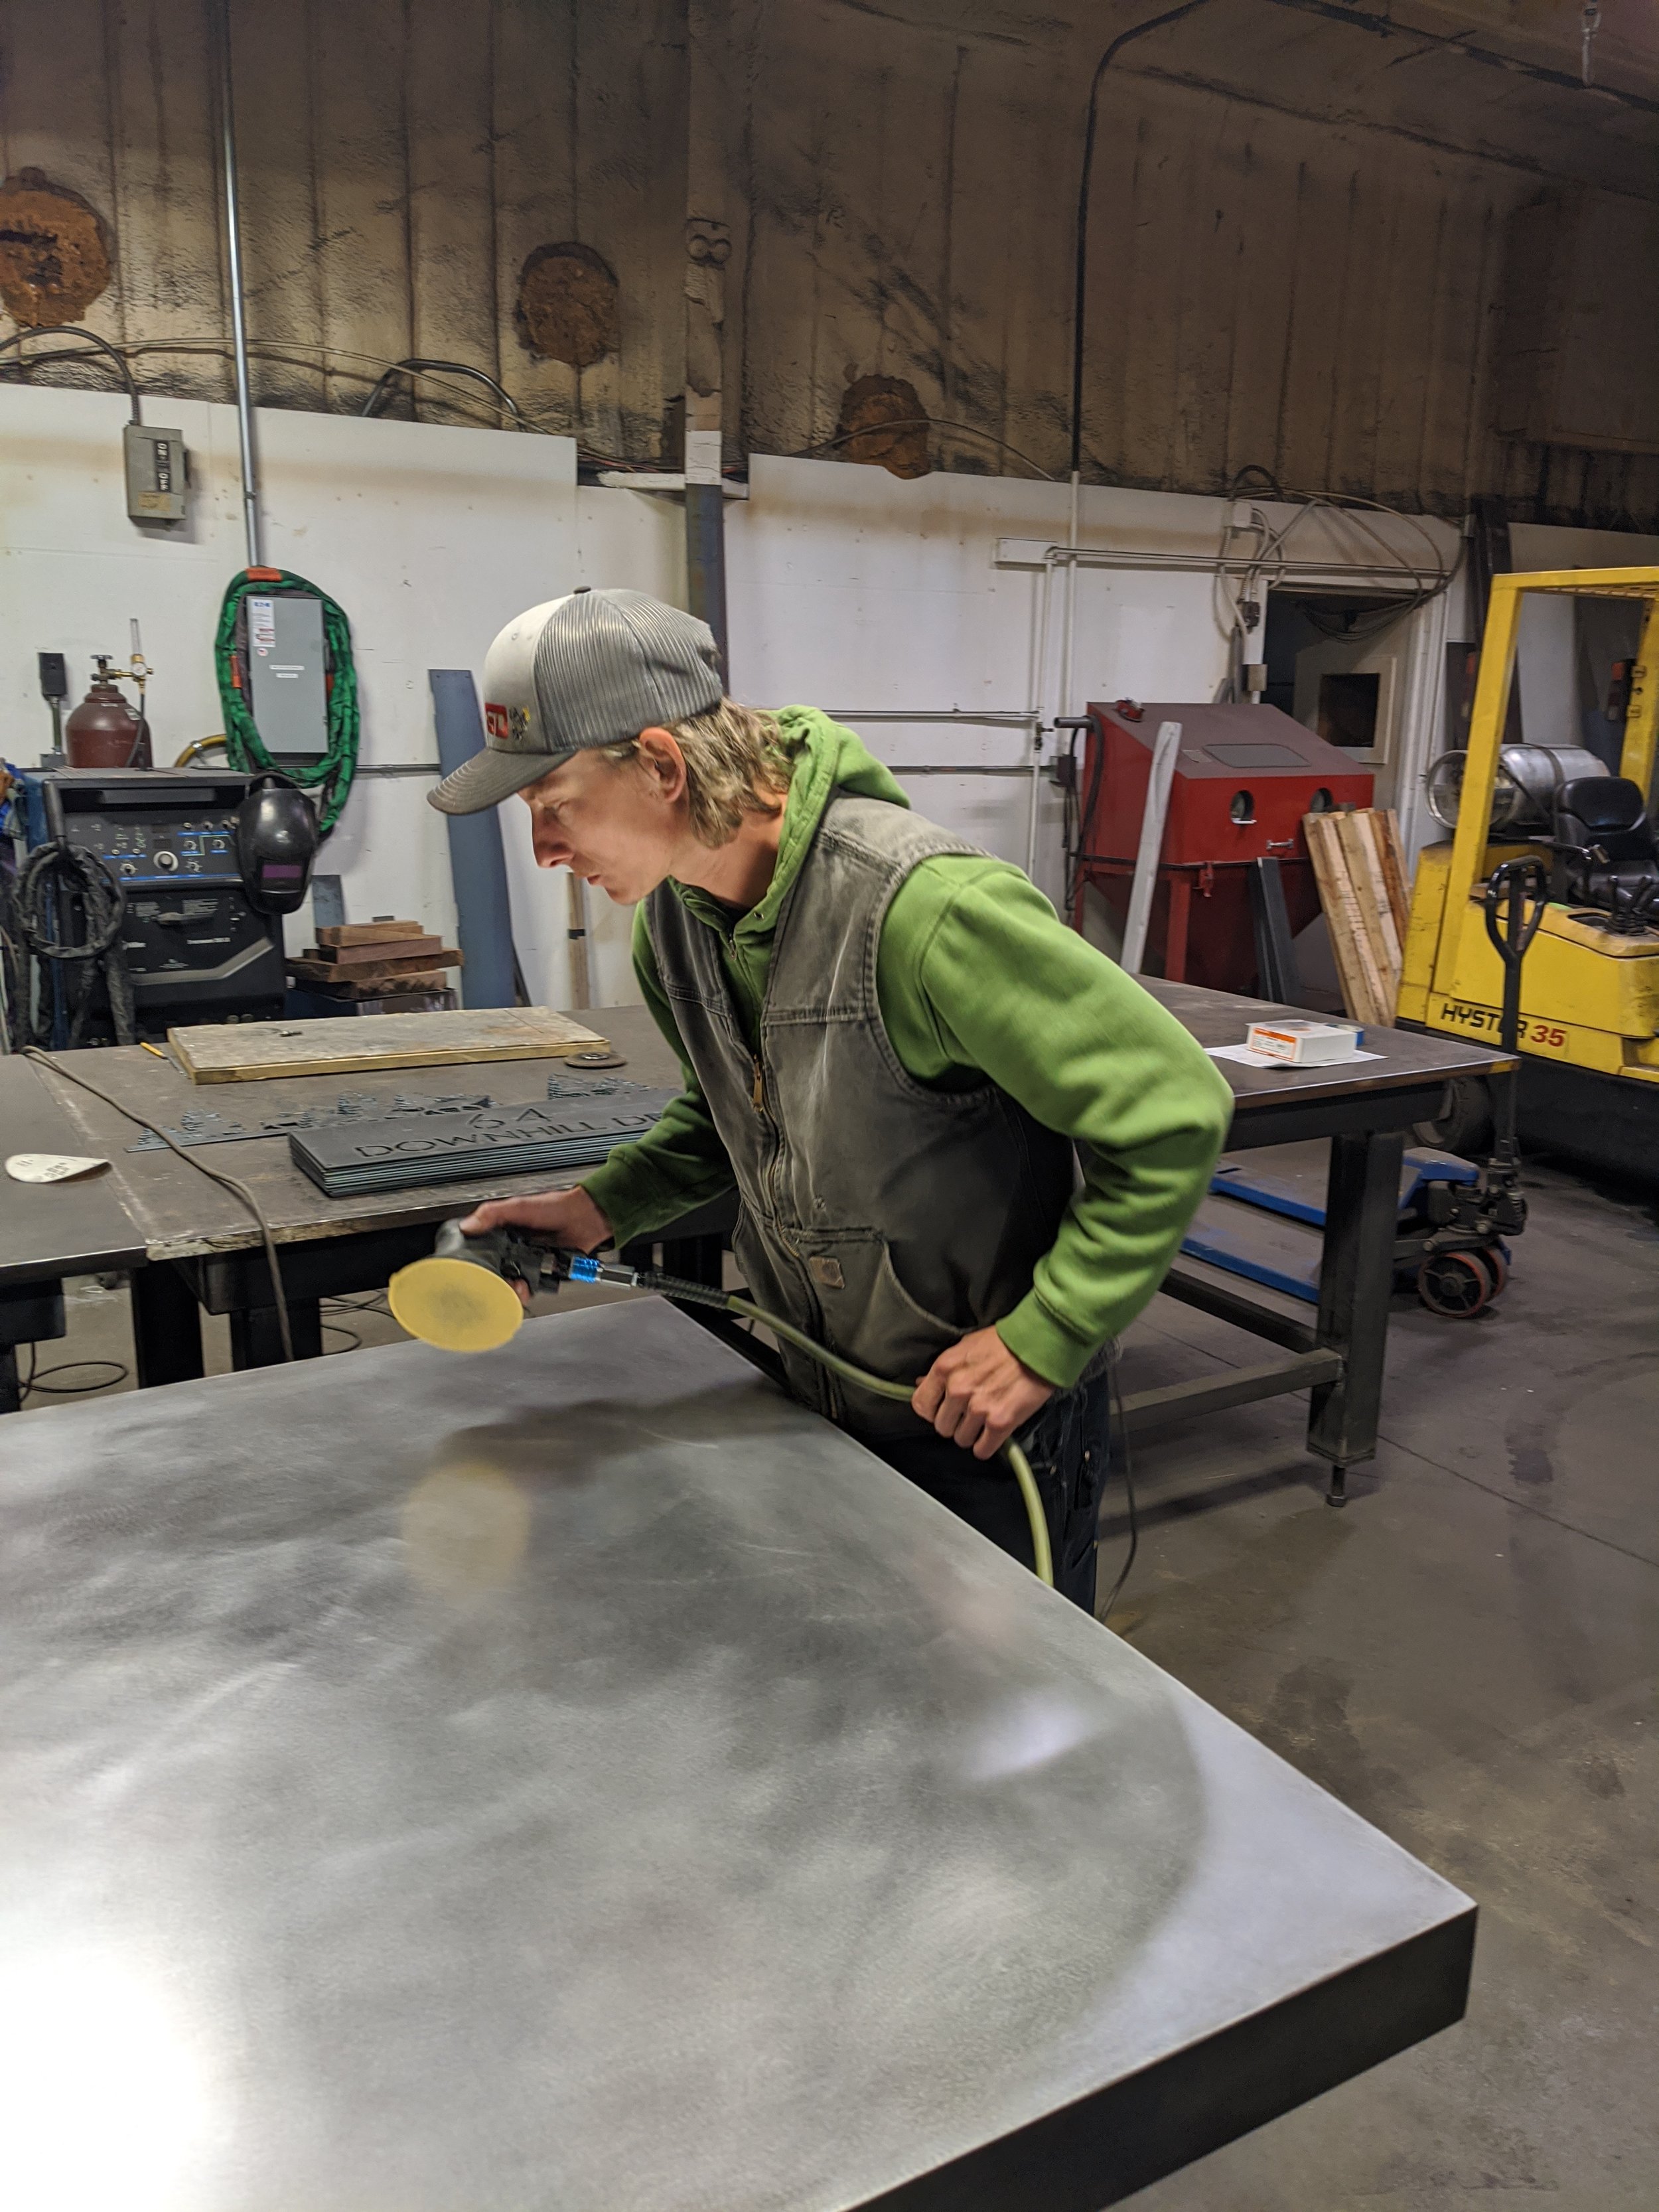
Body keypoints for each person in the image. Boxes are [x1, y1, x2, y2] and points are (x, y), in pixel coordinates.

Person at [430, 589, 1233, 1613]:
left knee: (1010, 1731)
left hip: (983, 1426)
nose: (543, 849)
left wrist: (1052, 1332)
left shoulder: (924, 910)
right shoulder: (677, 925)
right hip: (821, 1392)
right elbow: (736, 1117)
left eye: (553, 804)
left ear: (664, 765)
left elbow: (1172, 1110)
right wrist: (601, 1209)